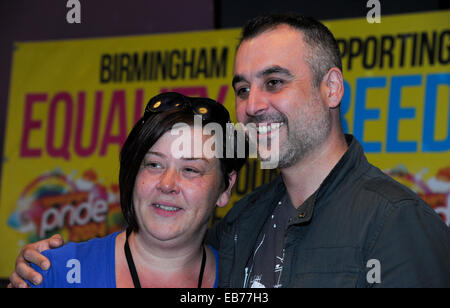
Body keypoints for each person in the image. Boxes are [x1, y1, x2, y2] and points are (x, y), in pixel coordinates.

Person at [9, 14, 450, 288]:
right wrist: (47, 267)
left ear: (331, 87)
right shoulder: (242, 223)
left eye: (274, 82)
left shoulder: (395, 221)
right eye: (243, 88)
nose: (253, 104)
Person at [10, 92, 245, 287]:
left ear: (225, 188)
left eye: (191, 170)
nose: (167, 184)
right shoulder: (52, 272)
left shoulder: (246, 282)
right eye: (154, 164)